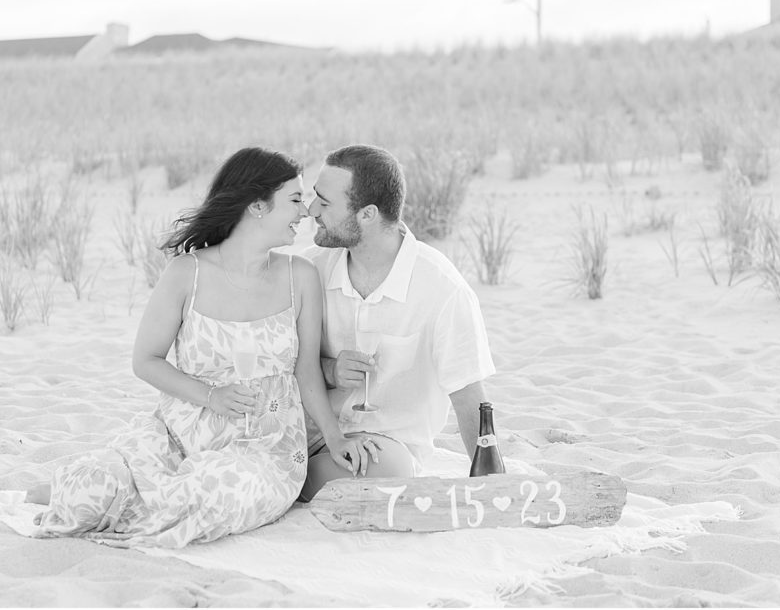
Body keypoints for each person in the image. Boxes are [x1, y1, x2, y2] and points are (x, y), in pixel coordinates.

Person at [25, 147, 371, 548]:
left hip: (264, 447)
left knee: (206, 496)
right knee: (89, 488)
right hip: (179, 435)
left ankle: (131, 504)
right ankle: (88, 493)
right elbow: (146, 361)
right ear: (257, 206)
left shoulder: (300, 277)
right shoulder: (185, 273)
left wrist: (336, 438)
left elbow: (305, 371)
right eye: (294, 200)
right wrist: (212, 396)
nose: (306, 211)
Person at [299, 144, 498, 501]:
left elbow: (469, 397)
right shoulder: (310, 270)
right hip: (304, 430)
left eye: (324, 203)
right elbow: (278, 362)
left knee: (387, 472)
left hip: (384, 448)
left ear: (367, 214)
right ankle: (290, 475)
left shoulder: (441, 288)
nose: (311, 210)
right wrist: (330, 370)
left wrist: (494, 487)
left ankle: (290, 480)